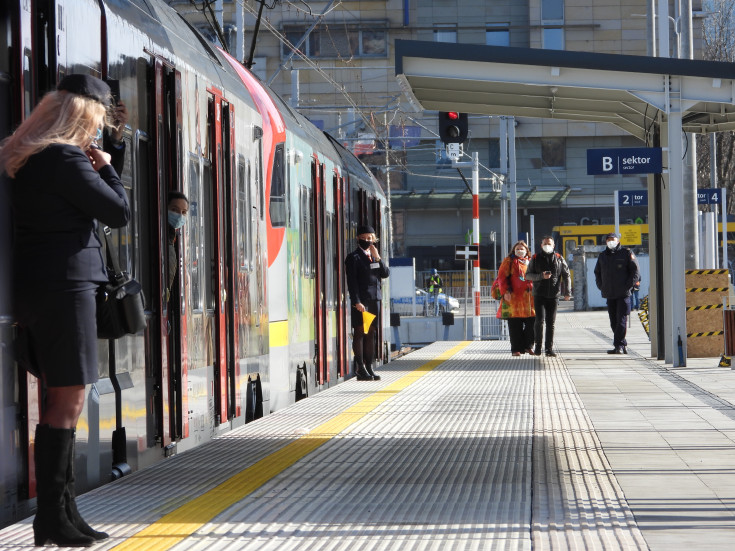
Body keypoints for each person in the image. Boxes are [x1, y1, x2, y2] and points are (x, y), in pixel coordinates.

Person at [3, 74, 130, 547]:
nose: (95, 134)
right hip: (67, 288)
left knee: (57, 399)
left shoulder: (23, 156)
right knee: (71, 399)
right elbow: (118, 212)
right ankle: (55, 517)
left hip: (34, 289)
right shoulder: (65, 158)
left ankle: (60, 514)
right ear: (80, 118)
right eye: (95, 123)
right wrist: (108, 168)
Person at [345, 225, 390, 380]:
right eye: (364, 237)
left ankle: (370, 367)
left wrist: (378, 257)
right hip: (362, 302)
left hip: (374, 300)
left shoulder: (374, 256)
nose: (367, 240)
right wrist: (356, 301)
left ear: (374, 239)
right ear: (358, 238)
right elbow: (352, 282)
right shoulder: (353, 257)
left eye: (370, 238)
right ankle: (360, 368)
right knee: (359, 333)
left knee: (371, 333)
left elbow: (385, 274)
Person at [594, 232, 641, 354]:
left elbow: (635, 272)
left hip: (623, 294)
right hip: (609, 293)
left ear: (618, 241)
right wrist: (601, 286)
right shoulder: (603, 256)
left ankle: (618, 346)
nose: (611, 242)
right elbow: (597, 272)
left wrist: (627, 286)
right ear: (606, 242)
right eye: (609, 240)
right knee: (613, 321)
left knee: (621, 319)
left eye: (613, 239)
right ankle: (621, 344)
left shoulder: (626, 253)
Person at [526, 236, 571, 357]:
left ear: (553, 246)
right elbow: (528, 275)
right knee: (539, 321)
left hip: (554, 295)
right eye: (545, 243)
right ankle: (538, 348)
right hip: (539, 294)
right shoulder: (535, 258)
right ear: (541, 245)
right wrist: (541, 276)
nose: (547, 245)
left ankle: (549, 349)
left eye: (549, 243)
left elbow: (566, 275)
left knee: (551, 323)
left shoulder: (559, 258)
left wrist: (567, 292)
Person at [496, 240, 535, 356]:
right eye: (517, 249)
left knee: (532, 323)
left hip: (530, 299)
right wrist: (505, 292)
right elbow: (502, 278)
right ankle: (516, 349)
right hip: (514, 299)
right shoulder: (508, 261)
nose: (520, 251)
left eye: (522, 249)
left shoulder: (531, 261)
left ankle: (528, 346)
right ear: (513, 250)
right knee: (515, 325)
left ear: (527, 251)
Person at [167, 191, 189, 297]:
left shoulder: (172, 238)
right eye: (174, 210)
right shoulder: (165, 240)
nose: (180, 216)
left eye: (184, 212)